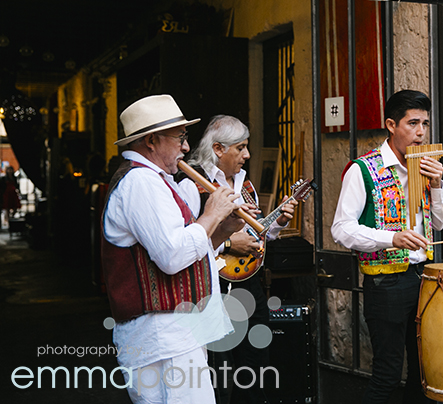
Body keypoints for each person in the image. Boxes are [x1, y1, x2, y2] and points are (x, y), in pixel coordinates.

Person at [102, 94, 255, 404]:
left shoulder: (156, 180)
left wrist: (219, 230)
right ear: (153, 141)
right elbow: (172, 258)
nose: (186, 147)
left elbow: (185, 251)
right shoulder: (140, 182)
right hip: (161, 337)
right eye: (180, 138)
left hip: (174, 335)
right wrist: (210, 214)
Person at [331, 89, 443, 404]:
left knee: (423, 371)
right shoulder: (363, 169)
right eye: (412, 123)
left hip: (423, 277)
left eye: (424, 123)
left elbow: (438, 223)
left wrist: (437, 186)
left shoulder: (425, 166)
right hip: (386, 282)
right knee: (387, 373)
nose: (421, 132)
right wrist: (391, 237)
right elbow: (341, 229)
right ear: (391, 125)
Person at [179, 114, 298, 404]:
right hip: (213, 288)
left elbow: (257, 238)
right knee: (218, 368)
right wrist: (230, 242)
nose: (247, 154)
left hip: (248, 285)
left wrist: (278, 222)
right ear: (218, 149)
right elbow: (186, 241)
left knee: (256, 363)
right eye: (240, 148)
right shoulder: (192, 185)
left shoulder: (245, 184)